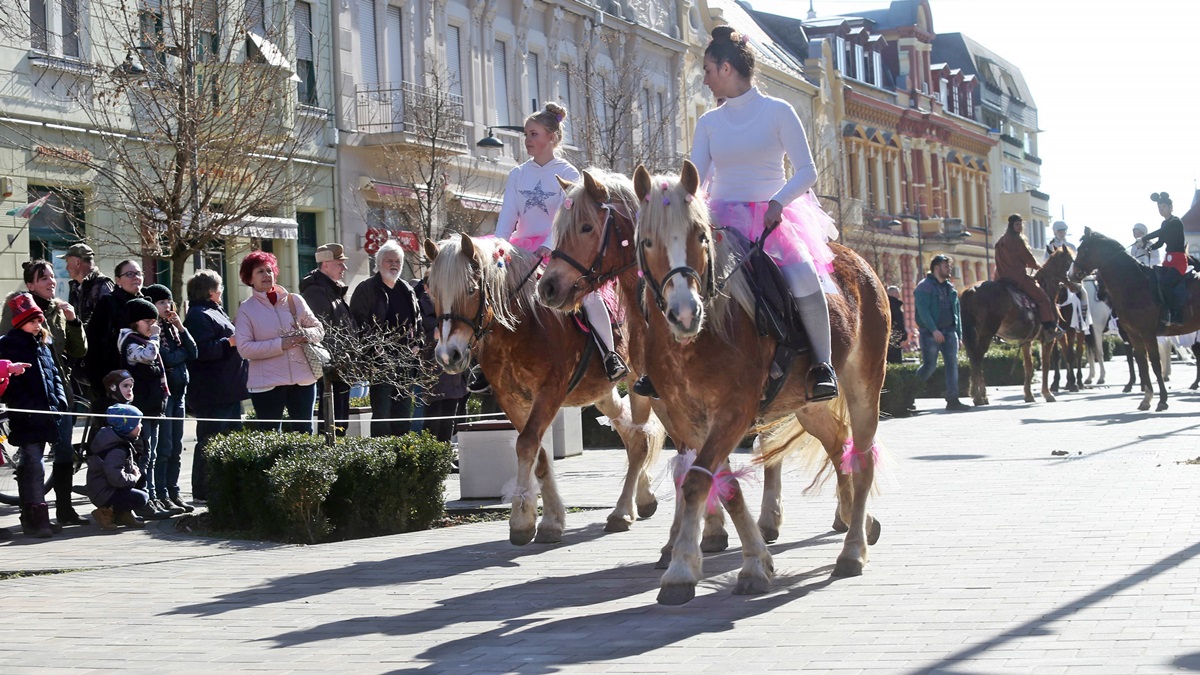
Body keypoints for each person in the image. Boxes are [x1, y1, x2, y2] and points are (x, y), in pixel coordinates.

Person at [668, 25, 839, 402]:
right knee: (679, 277)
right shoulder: (709, 123)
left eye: (708, 70)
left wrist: (779, 202)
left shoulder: (778, 111)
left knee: (804, 278)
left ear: (726, 68)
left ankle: (822, 366)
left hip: (771, 217)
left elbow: (807, 171)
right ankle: (665, 367)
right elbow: (696, 178)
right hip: (721, 222)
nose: (706, 78)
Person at [494, 102, 627, 382]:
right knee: (494, 292)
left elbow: (571, 218)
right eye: (527, 134)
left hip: (561, 249)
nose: (527, 140)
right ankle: (485, 363)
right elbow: (507, 216)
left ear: (551, 138)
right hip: (521, 251)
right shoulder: (517, 174)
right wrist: (497, 249)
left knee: (588, 295)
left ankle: (609, 354)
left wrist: (550, 245)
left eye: (534, 134)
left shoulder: (569, 173)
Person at [0, 260, 88, 526]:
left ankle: (65, 508)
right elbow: (9, 351)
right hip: (29, 398)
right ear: (30, 285)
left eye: (52, 277)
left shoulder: (59, 311)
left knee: (63, 452)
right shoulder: (15, 310)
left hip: (56, 392)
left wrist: (73, 321)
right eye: (44, 279)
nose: (51, 282)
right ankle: (33, 512)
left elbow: (77, 350)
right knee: (32, 457)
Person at [0, 292, 69, 536]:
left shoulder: (43, 344)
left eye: (39, 320)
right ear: (19, 322)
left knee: (35, 464)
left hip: (46, 412)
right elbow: (7, 382)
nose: (38, 324)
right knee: (33, 464)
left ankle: (34, 517)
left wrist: (59, 399)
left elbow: (54, 374)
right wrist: (22, 402)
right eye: (32, 320)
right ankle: (36, 517)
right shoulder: (9, 345)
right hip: (26, 414)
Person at [235, 251, 323, 434]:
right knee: (270, 436)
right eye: (260, 271)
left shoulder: (294, 300)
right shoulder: (246, 308)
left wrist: (304, 334)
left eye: (269, 270)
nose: (267, 275)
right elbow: (244, 348)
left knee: (304, 434)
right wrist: (280, 344)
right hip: (267, 384)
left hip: (303, 381)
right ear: (249, 278)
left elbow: (319, 330)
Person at [183, 269, 247, 501]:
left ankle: (225, 487)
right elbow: (200, 351)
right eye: (219, 288)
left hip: (228, 389)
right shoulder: (198, 315)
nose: (221, 292)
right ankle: (203, 490)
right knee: (210, 441)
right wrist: (228, 342)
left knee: (230, 440)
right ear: (211, 291)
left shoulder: (212, 311)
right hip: (213, 391)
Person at [350, 240, 421, 437]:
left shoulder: (407, 289)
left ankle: (400, 457)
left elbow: (418, 322)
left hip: (406, 361)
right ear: (379, 263)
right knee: (382, 414)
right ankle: (382, 457)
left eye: (398, 260)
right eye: (389, 260)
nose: (394, 264)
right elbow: (358, 322)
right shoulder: (366, 289)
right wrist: (375, 348)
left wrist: (418, 344)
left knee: (403, 413)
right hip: (380, 362)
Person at [118, 297, 176, 519]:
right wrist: (154, 336)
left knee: (151, 454)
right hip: (141, 407)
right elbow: (148, 356)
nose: (152, 325)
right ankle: (144, 498)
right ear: (134, 322)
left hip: (154, 405)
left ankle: (151, 496)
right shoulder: (131, 342)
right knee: (144, 455)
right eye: (147, 320)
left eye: (154, 320)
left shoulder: (144, 339)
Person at [143, 284, 197, 514]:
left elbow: (193, 351)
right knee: (163, 448)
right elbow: (167, 357)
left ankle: (174, 492)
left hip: (180, 391)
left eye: (168, 302)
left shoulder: (172, 327)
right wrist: (181, 355)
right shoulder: (154, 331)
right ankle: (161, 494)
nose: (166, 307)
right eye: (161, 302)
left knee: (176, 447)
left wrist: (180, 326)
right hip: (166, 395)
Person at [299, 243, 356, 437]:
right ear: (325, 264)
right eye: (340, 263)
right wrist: (340, 360)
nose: (344, 268)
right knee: (332, 426)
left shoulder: (333, 289)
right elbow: (324, 332)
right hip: (332, 368)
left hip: (342, 366)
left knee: (341, 421)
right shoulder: (316, 291)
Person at [84, 259, 145, 433]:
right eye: (129, 274)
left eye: (139, 274)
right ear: (117, 280)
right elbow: (94, 343)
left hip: (141, 381)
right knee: (112, 434)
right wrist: (99, 383)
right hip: (112, 381)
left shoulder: (145, 302)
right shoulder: (108, 303)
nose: (136, 278)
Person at [414, 274, 468, 443]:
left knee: (450, 416)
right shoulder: (419, 305)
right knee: (433, 416)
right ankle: (431, 455)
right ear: (426, 287)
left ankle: (444, 454)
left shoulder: (449, 306)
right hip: (432, 367)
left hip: (453, 368)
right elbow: (420, 333)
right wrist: (435, 334)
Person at [914, 256, 970, 412]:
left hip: (950, 331)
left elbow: (956, 312)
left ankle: (953, 400)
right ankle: (908, 394)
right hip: (930, 334)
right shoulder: (924, 287)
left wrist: (958, 334)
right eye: (946, 266)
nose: (949, 269)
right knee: (929, 366)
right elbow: (923, 311)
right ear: (937, 268)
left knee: (952, 365)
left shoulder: (950, 287)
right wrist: (934, 330)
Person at [85, 403, 150, 531]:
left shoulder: (119, 441)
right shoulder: (117, 449)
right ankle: (105, 512)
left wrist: (134, 471)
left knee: (141, 477)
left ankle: (124, 514)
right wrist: (133, 476)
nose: (141, 426)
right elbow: (116, 478)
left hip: (108, 488)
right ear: (127, 427)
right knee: (142, 498)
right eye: (138, 423)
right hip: (103, 492)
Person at [60, 242, 110, 407]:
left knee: (103, 407)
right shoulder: (75, 287)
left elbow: (107, 324)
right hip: (82, 357)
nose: (66, 267)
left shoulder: (103, 285)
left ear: (77, 263)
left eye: (68, 262)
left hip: (100, 360)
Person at [995, 214, 1060, 333]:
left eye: (1020, 224)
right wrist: (1038, 267)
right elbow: (1029, 260)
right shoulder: (1017, 240)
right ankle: (1049, 329)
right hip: (1017, 278)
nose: (1019, 227)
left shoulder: (1000, 241)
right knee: (1043, 299)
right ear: (1011, 226)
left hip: (1000, 278)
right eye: (1017, 224)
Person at [1142, 192, 1189, 325]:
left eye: (1163, 207)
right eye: (1159, 208)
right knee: (1155, 282)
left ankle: (1177, 314)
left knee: (1166, 284)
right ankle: (1163, 310)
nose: (1161, 210)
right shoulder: (1165, 224)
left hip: (1179, 261)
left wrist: (1144, 238)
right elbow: (1161, 242)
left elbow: (1160, 233)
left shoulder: (1175, 222)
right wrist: (1149, 248)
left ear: (1170, 207)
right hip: (1168, 261)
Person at [886, 285, 908, 365]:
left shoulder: (886, 305)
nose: (899, 295)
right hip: (895, 339)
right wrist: (904, 337)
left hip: (888, 338)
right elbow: (899, 323)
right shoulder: (894, 306)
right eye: (897, 293)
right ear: (892, 293)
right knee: (895, 362)